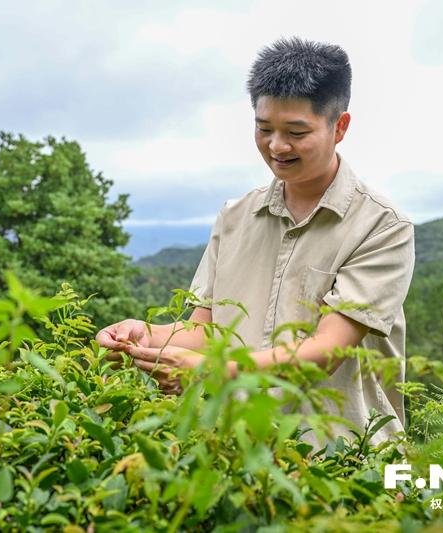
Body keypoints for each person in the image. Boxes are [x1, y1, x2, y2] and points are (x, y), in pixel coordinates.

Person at [96, 37, 415, 445]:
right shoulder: (235, 217)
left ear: (340, 127)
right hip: (237, 451)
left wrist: (209, 371)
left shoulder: (381, 227)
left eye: (296, 132)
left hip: (344, 459)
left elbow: (326, 352)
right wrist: (145, 335)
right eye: (264, 129)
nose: (277, 146)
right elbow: (208, 332)